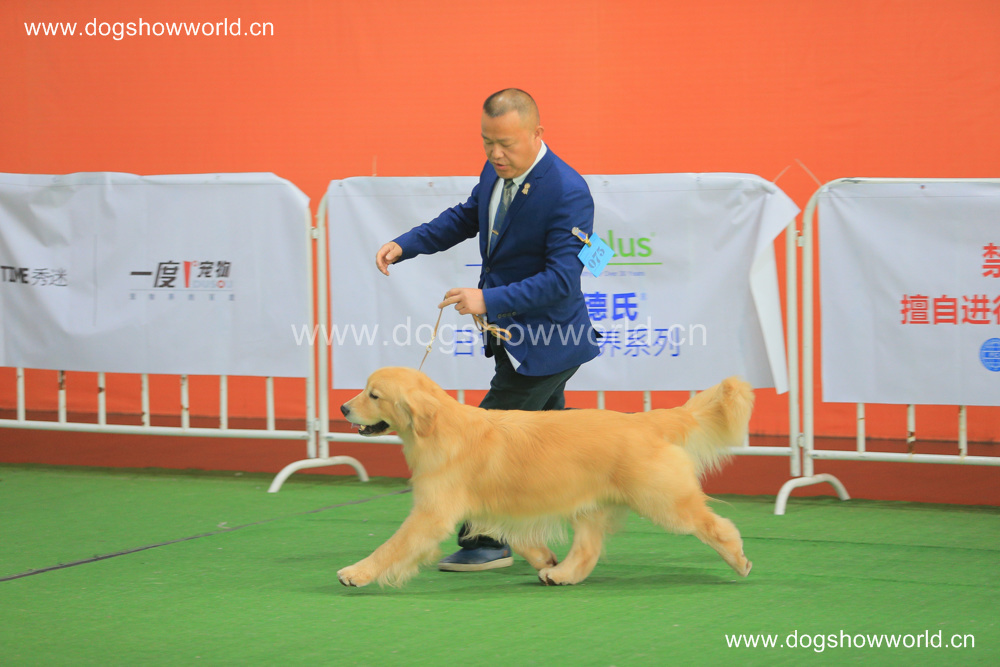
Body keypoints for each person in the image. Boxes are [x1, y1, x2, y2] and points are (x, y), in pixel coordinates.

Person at [375, 88, 600, 571]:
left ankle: (485, 540)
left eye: (507, 144)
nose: (496, 154)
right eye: (487, 142)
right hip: (513, 340)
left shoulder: (567, 191)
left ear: (537, 134)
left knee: (480, 439)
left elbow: (563, 280)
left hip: (547, 345)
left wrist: (487, 299)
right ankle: (537, 537)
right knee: (544, 451)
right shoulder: (495, 172)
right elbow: (464, 217)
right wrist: (406, 244)